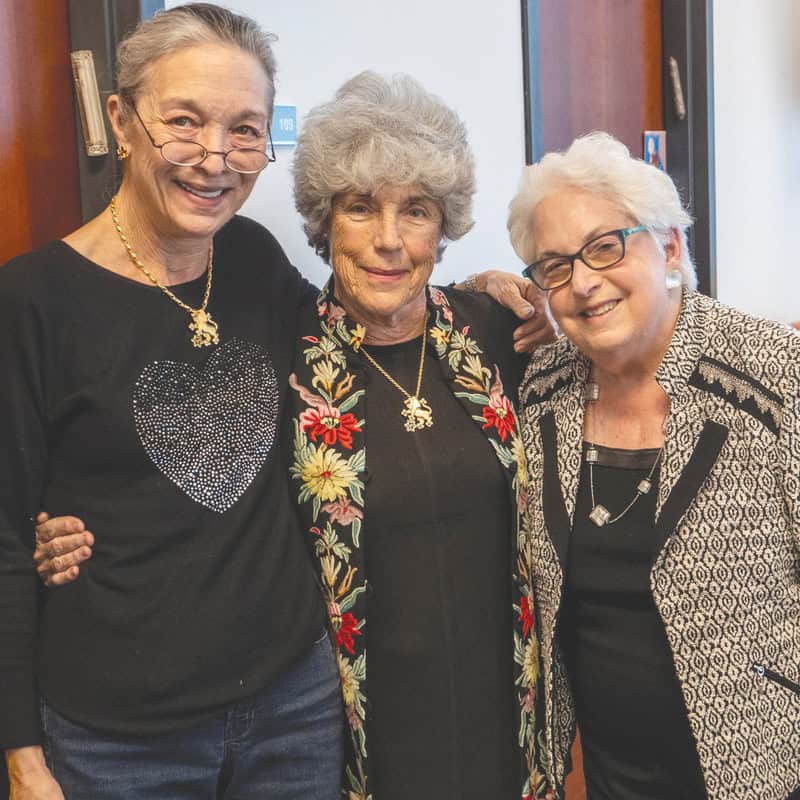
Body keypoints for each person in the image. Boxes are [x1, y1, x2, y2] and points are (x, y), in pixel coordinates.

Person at [33, 72, 555, 799]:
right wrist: (56, 522)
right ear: (323, 220)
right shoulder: (281, 346)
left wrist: (516, 288)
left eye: (417, 211)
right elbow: (144, 446)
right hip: (349, 721)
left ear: (446, 225)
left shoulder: (498, 334)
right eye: (360, 208)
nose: (388, 241)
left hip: (506, 701)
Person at [0, 5, 344, 798]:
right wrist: (22, 759)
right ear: (121, 121)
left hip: (295, 707)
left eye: (247, 129)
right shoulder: (31, 301)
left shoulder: (254, 260)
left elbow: (357, 349)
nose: (214, 158)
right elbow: (6, 541)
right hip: (116, 740)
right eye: (183, 122)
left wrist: (479, 301)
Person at [508, 132, 800, 799]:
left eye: (605, 246)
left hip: (764, 768)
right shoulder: (541, 391)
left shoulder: (774, 379)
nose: (582, 282)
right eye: (553, 266)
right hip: (613, 774)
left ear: (668, 247)